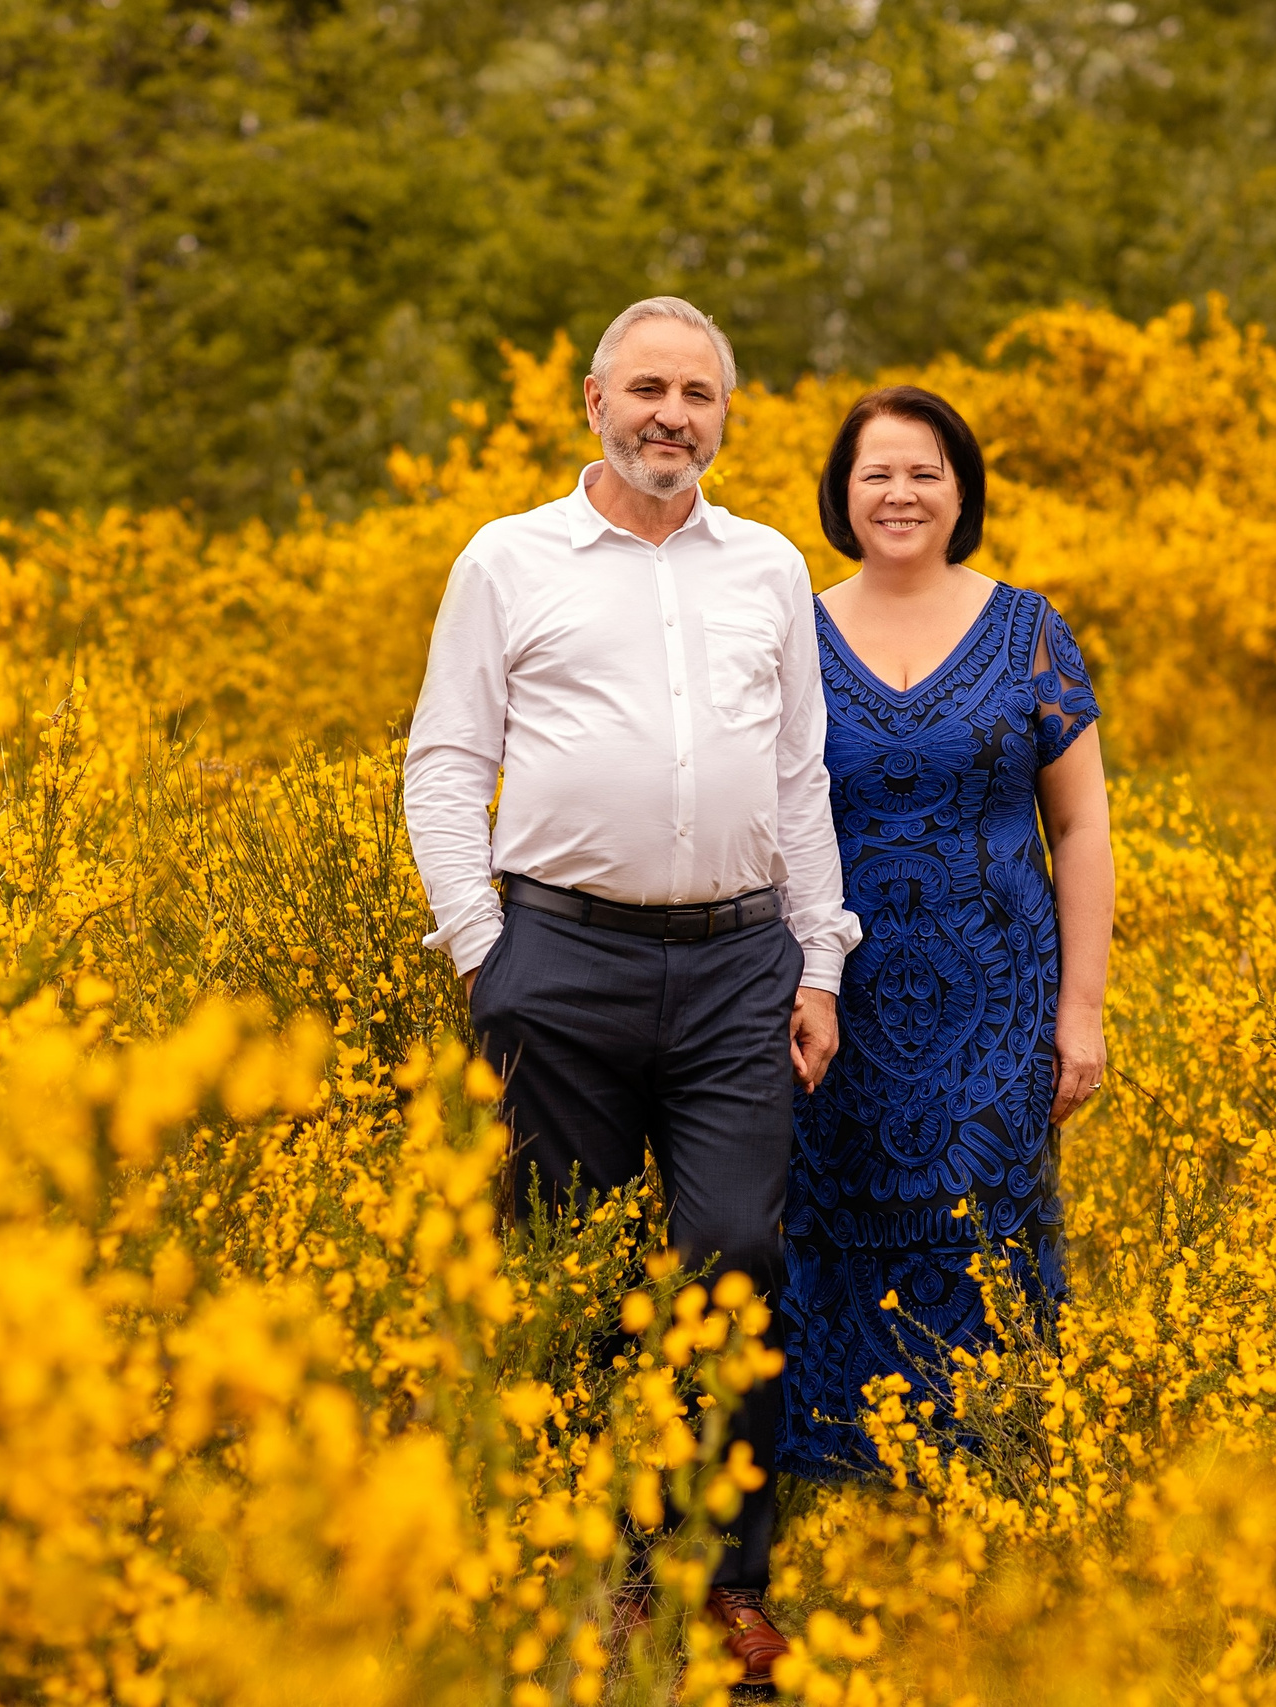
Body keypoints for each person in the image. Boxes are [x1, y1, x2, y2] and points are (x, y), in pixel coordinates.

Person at [402, 296, 861, 1684]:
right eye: (648, 388)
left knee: (738, 1259)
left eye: (700, 394)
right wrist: (484, 949)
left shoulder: (769, 566)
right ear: (593, 402)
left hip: (738, 966)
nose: (673, 414)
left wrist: (819, 956)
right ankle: (599, 1566)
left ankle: (728, 1578)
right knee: (577, 1276)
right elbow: (442, 760)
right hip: (561, 961)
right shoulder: (507, 558)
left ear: (728, 416)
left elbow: (797, 779)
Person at [781, 385, 1114, 1477]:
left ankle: (1000, 1496)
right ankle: (846, 1509)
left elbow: (1079, 829)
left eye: (925, 471)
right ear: (841, 493)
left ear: (961, 488)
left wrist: (1079, 1015)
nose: (900, 492)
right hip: (837, 1006)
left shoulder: (1028, 631)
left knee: (990, 1247)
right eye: (876, 472)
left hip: (997, 1016)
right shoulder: (796, 629)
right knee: (829, 1248)